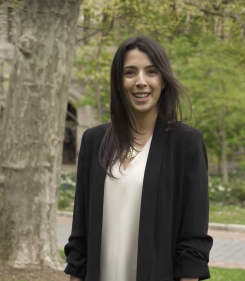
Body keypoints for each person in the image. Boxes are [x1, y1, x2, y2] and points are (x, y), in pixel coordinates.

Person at [64, 36, 213, 281]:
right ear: (118, 81)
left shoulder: (186, 143)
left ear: (163, 80)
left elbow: (193, 238)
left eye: (151, 72)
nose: (141, 82)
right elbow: (80, 234)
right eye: (130, 72)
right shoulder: (94, 141)